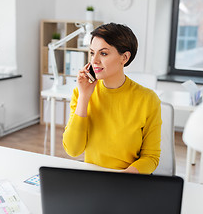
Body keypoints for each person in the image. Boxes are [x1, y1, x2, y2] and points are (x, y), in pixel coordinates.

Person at [62, 23, 162, 174]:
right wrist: (84, 98)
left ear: (125, 57)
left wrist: (122, 178)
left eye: (103, 53)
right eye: (92, 52)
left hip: (127, 181)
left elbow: (151, 157)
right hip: (93, 178)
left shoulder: (148, 99)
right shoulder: (81, 93)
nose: (94, 61)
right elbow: (73, 150)